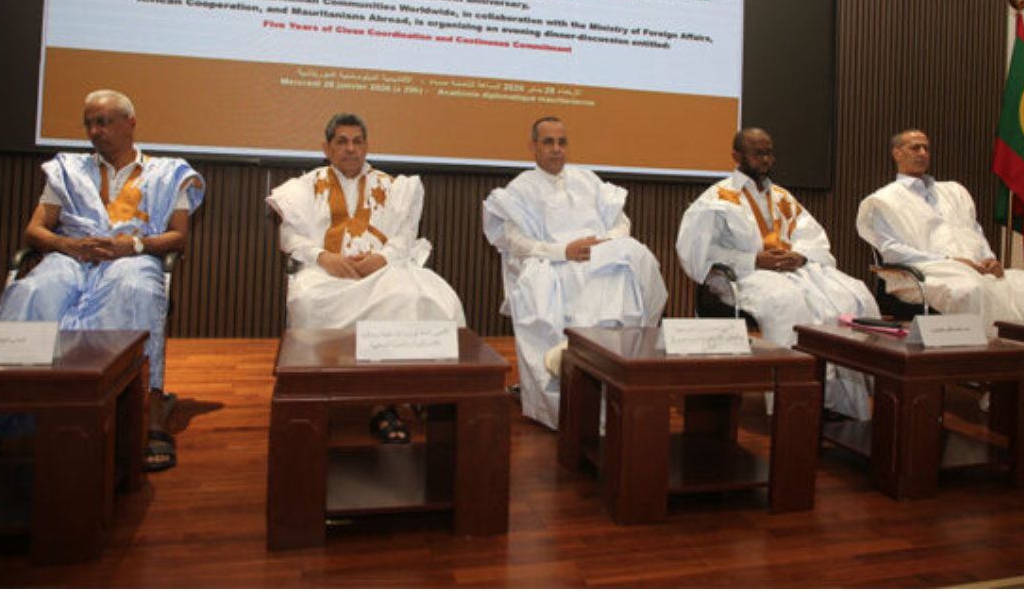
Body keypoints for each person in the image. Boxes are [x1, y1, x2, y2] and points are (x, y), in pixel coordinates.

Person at [0, 89, 204, 472]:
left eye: (104, 122)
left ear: (130, 124)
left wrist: (133, 245)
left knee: (136, 291)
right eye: (89, 124)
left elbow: (177, 236)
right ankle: (12, 413)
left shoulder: (167, 173)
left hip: (132, 256)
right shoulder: (68, 171)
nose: (95, 131)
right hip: (72, 255)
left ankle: (148, 413)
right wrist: (68, 245)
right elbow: (35, 230)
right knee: (31, 292)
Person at [266, 113, 466, 443]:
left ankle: (390, 401)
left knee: (416, 298)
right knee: (307, 301)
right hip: (327, 274)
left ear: (366, 146)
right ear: (326, 148)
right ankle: (320, 397)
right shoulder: (303, 187)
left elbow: (404, 235)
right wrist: (324, 258)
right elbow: (291, 239)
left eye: (358, 141)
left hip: (382, 270)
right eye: (342, 141)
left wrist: (382, 258)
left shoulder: (392, 186)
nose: (351, 149)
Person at [676, 127, 876, 419]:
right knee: (786, 301)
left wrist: (800, 256)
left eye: (769, 152)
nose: (766, 159)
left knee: (850, 295)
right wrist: (752, 260)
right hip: (742, 276)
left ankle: (836, 401)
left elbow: (813, 236)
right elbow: (698, 252)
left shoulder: (783, 196)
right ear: (737, 155)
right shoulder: (716, 198)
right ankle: (791, 406)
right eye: (758, 153)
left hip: (793, 270)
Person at [482, 116, 668, 430]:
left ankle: (617, 373)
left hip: (600, 258)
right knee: (573, 281)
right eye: (548, 142)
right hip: (553, 264)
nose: (556, 149)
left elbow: (621, 222)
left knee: (636, 257)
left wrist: (604, 244)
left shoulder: (588, 179)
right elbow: (516, 242)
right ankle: (576, 386)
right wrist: (564, 252)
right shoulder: (519, 189)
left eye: (562, 142)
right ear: (533, 147)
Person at [856, 128, 1024, 328]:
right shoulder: (883, 200)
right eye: (915, 148)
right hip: (928, 273)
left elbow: (974, 232)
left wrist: (989, 258)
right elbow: (891, 251)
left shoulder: (954, 191)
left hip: (977, 270)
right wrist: (949, 260)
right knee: (971, 291)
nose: (923, 153)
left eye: (926, 148)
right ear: (897, 153)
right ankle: (989, 364)